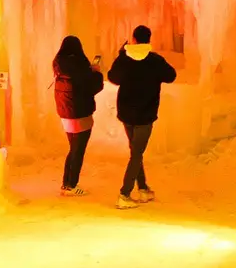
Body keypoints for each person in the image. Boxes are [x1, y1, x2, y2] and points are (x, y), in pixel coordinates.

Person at [107, 25, 177, 209]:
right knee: (137, 154)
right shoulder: (155, 60)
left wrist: (122, 55)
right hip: (145, 114)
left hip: (127, 114)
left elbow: (113, 77)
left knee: (135, 152)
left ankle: (143, 188)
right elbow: (171, 76)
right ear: (149, 39)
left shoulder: (125, 60)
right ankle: (124, 193)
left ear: (134, 39)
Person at [52, 36, 104, 196]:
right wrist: (96, 73)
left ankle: (66, 184)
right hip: (80, 113)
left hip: (65, 114)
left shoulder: (59, 66)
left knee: (73, 148)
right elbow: (93, 87)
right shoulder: (80, 66)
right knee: (78, 150)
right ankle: (72, 185)